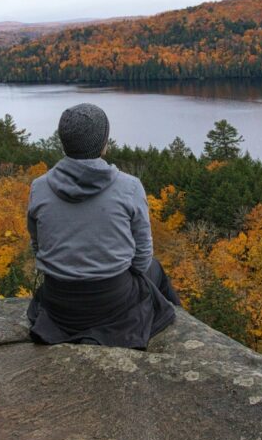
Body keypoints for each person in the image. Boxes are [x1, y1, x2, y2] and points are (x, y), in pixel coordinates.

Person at [26, 103, 181, 349]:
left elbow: (38, 246)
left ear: (64, 142)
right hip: (112, 303)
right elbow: (141, 259)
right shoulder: (129, 187)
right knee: (155, 269)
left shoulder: (39, 187)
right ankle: (180, 332)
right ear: (103, 144)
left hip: (59, 305)